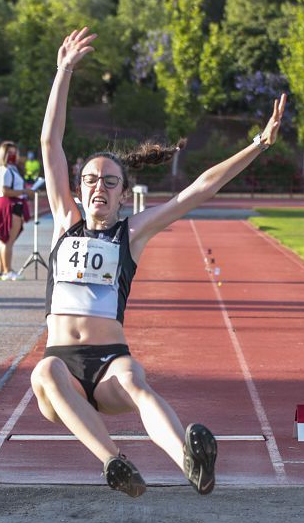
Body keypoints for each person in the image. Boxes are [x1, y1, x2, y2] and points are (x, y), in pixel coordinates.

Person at [33, 27, 286, 498]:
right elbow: (51, 143)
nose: (99, 188)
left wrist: (259, 142)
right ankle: (115, 463)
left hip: (109, 361)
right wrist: (63, 71)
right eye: (91, 179)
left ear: (124, 194)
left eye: (110, 182)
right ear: (79, 186)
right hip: (62, 368)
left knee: (136, 382)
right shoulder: (65, 221)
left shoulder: (130, 233)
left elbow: (199, 190)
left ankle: (191, 464)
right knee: (42, 372)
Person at [0, 141, 31, 280]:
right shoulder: (6, 169)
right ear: (4, 154)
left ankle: (1, 271)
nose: (13, 155)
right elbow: (5, 191)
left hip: (7, 204)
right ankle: (8, 271)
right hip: (10, 205)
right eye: (10, 153)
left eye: (15, 152)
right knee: (8, 240)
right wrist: (25, 191)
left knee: (3, 240)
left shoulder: (9, 168)